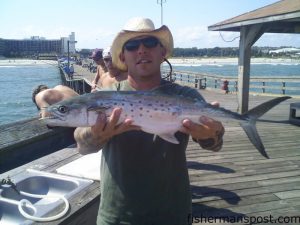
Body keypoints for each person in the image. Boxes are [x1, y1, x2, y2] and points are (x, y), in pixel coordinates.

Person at [74, 17, 225, 225]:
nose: (142, 50)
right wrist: (96, 135)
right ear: (123, 56)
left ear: (162, 52)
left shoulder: (186, 96)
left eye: (150, 43)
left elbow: (215, 145)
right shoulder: (105, 96)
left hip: (173, 216)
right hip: (116, 217)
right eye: (133, 45)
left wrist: (212, 135)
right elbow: (81, 145)